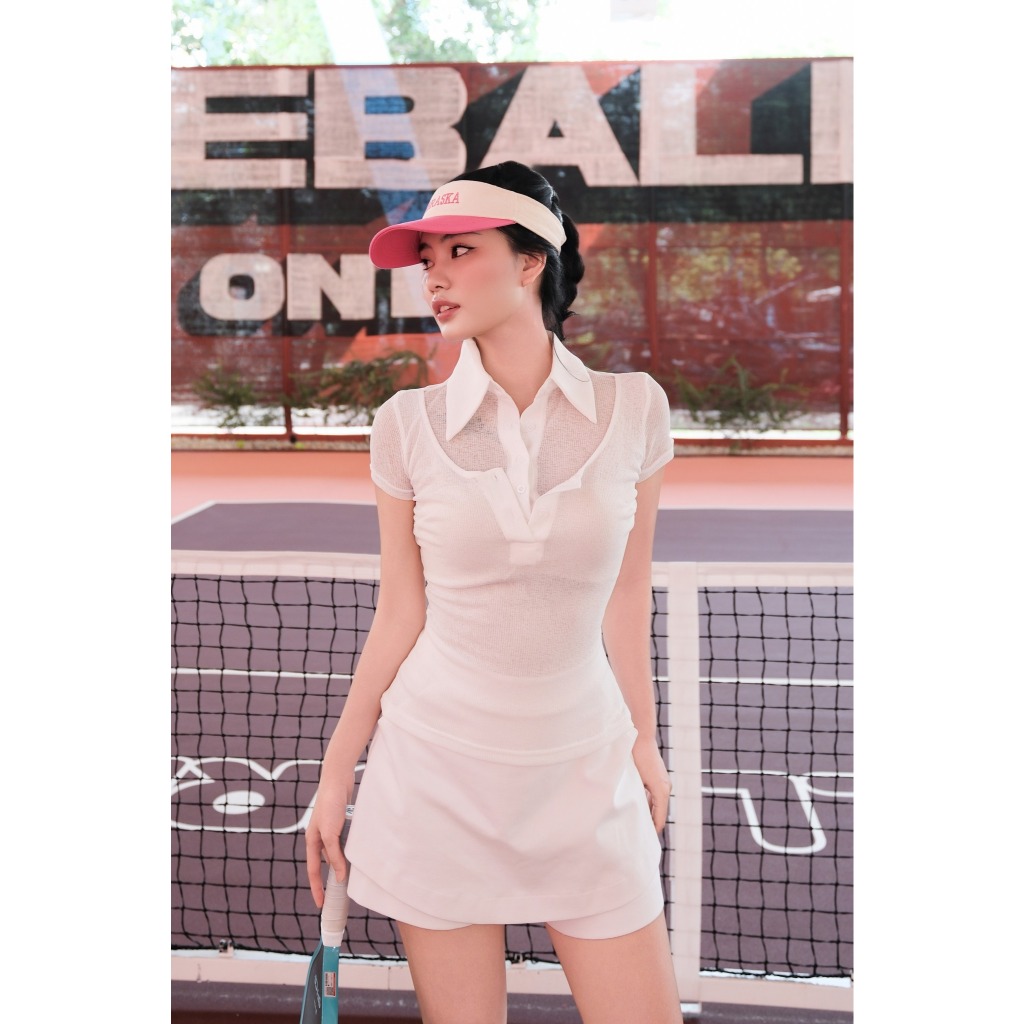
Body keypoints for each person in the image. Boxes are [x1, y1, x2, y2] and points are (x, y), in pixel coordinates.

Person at [304, 160, 683, 1024]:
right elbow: (400, 613)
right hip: (436, 773)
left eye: (460, 251)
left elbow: (628, 596)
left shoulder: (637, 407)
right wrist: (333, 778)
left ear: (531, 260)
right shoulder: (405, 424)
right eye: (427, 258)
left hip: (586, 768)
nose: (434, 276)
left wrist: (645, 744)